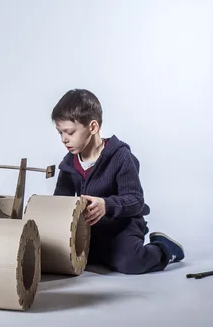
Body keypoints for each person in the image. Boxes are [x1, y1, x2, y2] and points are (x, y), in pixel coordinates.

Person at [51, 88, 184, 274]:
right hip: (88, 232)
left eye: (69, 132)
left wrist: (107, 205)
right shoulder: (68, 165)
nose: (64, 140)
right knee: (62, 256)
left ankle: (164, 248)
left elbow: (136, 201)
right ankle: (101, 254)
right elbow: (60, 203)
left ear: (93, 127)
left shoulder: (121, 157)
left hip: (120, 228)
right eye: (60, 133)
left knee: (132, 262)